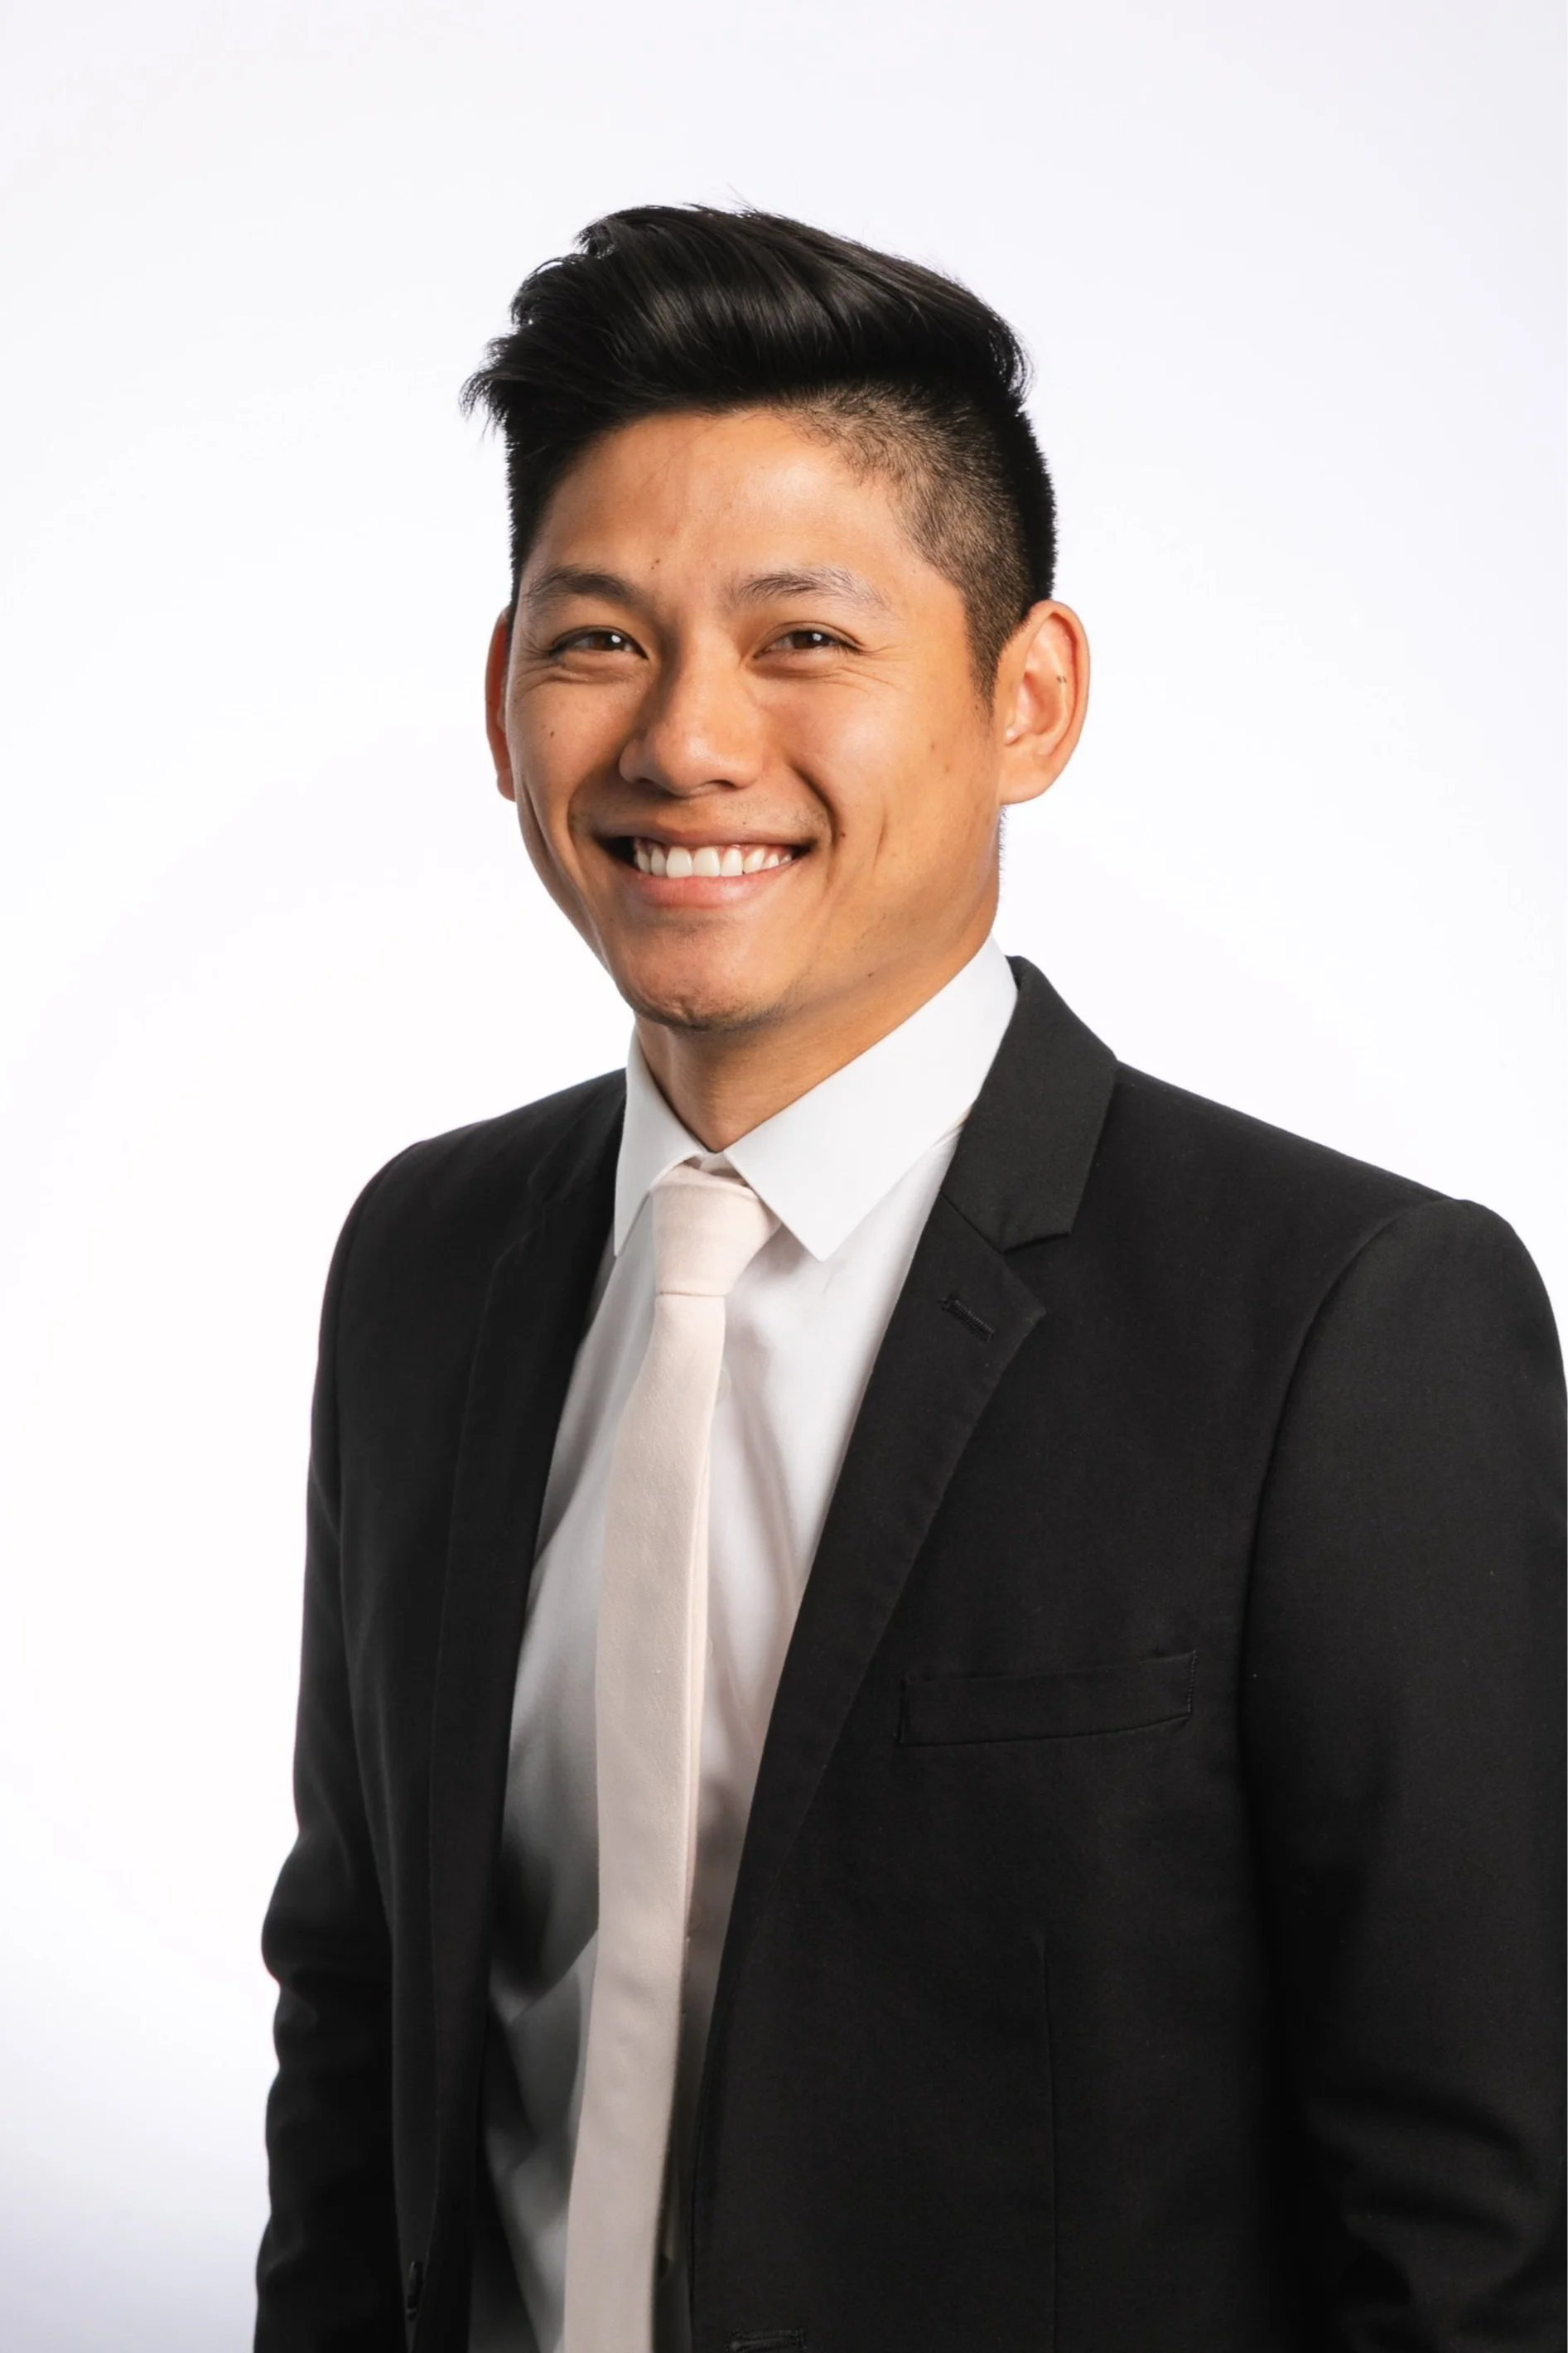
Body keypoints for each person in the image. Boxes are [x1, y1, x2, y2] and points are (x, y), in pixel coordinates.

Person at [254, 205, 1564, 2353]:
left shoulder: (1347, 1324)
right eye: (598, 641)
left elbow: (1474, 2230)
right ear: (500, 703)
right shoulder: (424, 1264)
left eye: (802, 638)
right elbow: (357, 2012)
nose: (686, 741)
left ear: (1027, 697)